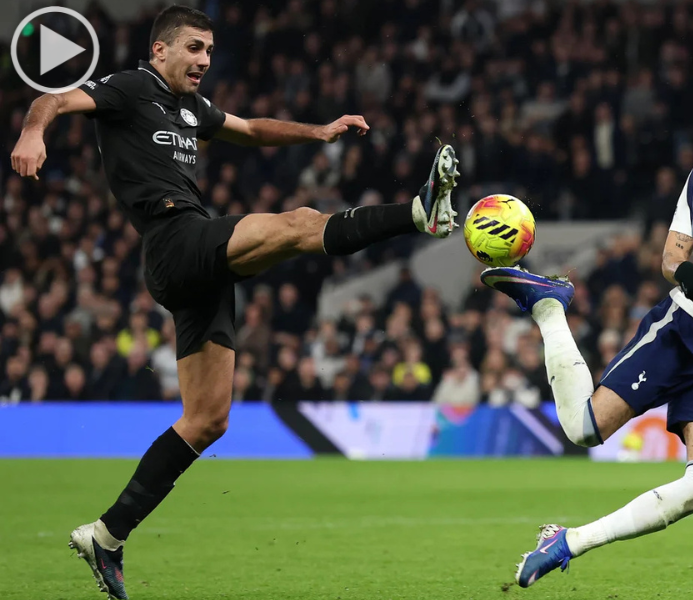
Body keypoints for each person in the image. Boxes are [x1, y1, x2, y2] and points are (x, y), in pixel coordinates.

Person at [10, 6, 460, 599]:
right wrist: (32, 131)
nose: (203, 61)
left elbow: (250, 129)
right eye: (193, 48)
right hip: (173, 242)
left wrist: (318, 131)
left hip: (199, 268)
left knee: (208, 420)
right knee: (299, 223)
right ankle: (417, 213)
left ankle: (107, 534)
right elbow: (55, 99)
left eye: (209, 51)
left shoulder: (193, 108)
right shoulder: (130, 87)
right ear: (160, 51)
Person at [482, 70, 693, 588]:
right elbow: (669, 257)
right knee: (583, 429)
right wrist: (686, 274)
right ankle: (549, 308)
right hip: (683, 332)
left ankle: (567, 542)